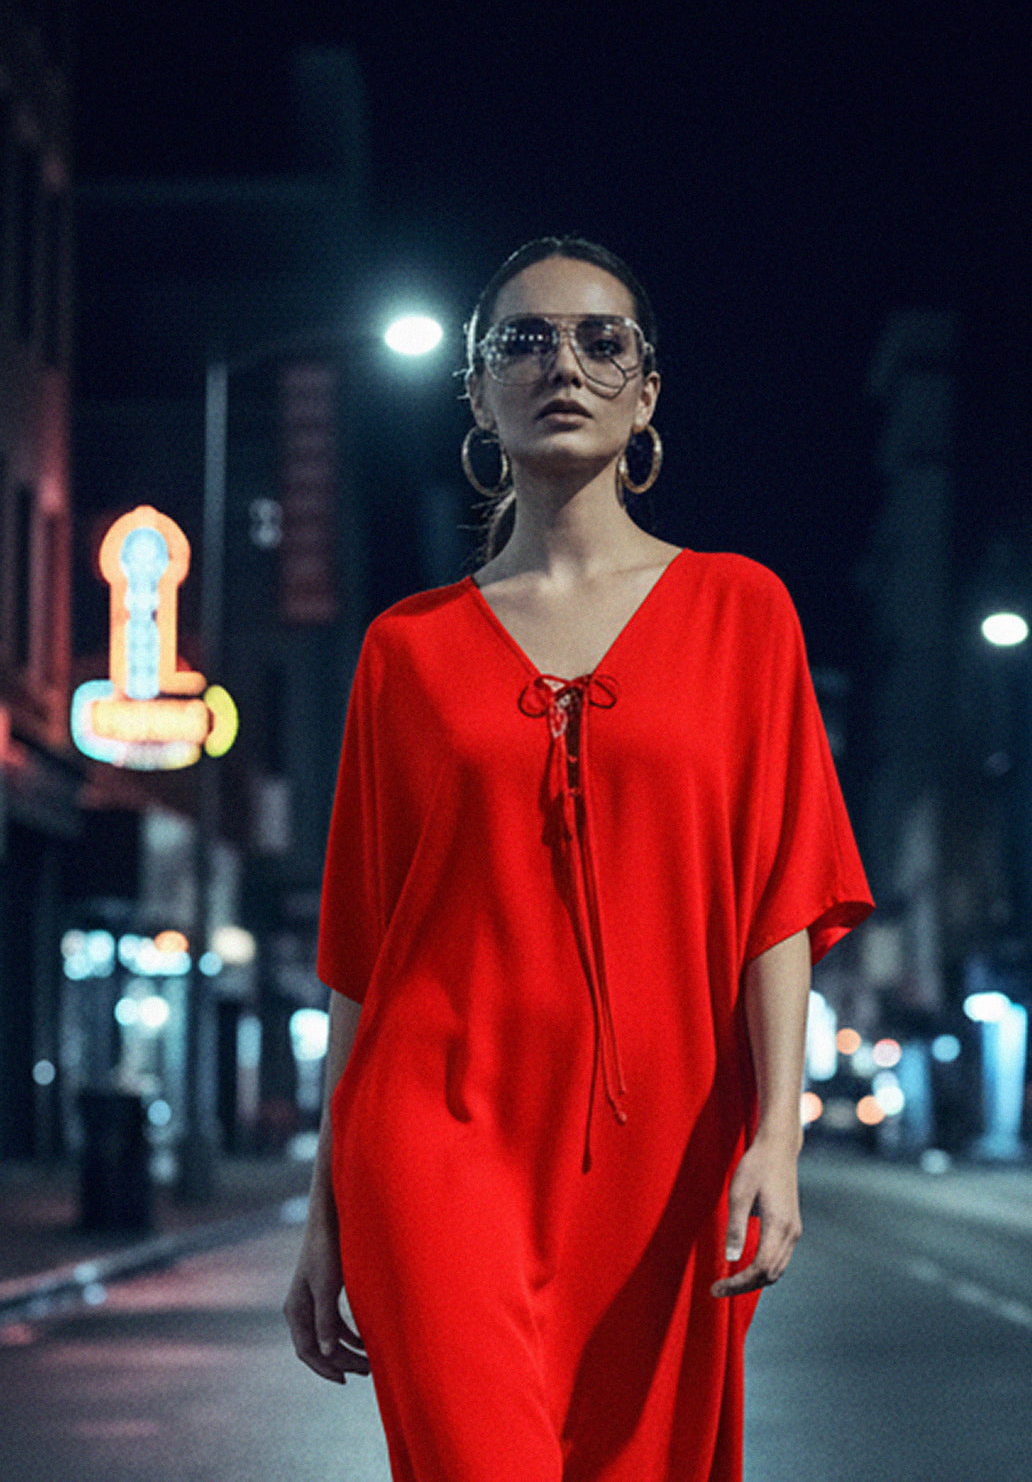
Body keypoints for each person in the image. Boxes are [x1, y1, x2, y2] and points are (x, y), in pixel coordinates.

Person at [285, 236, 873, 1480]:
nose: (565, 365)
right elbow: (359, 951)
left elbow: (779, 898)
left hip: (665, 1142)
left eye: (603, 341)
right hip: (433, 1128)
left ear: (647, 391)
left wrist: (777, 1139)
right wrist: (324, 1203)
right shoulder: (405, 648)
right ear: (475, 389)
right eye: (523, 339)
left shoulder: (742, 610)